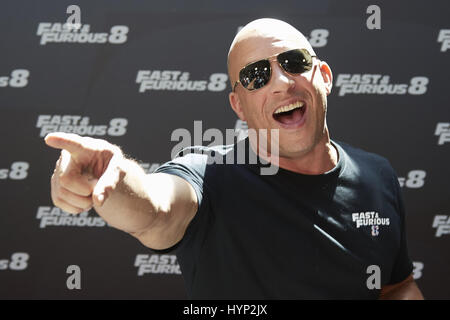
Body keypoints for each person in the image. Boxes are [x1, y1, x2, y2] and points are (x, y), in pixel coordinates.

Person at [45, 18, 424, 299]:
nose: (281, 82)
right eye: (257, 76)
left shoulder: (378, 175)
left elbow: (396, 286)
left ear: (323, 75)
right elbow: (158, 209)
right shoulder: (210, 176)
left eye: (293, 61)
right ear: (238, 105)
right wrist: (112, 179)